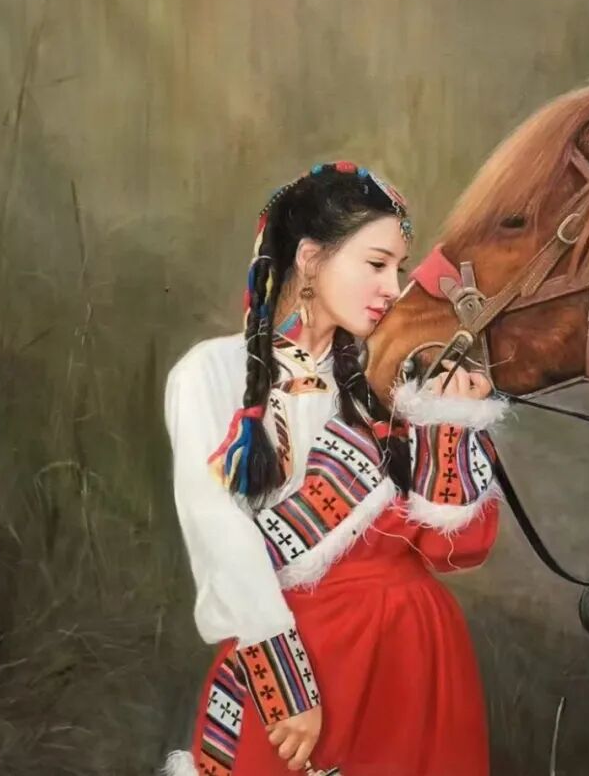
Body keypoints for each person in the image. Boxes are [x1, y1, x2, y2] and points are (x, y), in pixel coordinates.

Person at [161, 162, 506, 776]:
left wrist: (451, 419)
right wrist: (285, 687)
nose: (393, 287)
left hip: (416, 660)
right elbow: (217, 530)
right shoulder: (210, 374)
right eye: (376, 264)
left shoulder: (395, 382)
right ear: (311, 259)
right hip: (295, 654)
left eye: (399, 268)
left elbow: (455, 548)